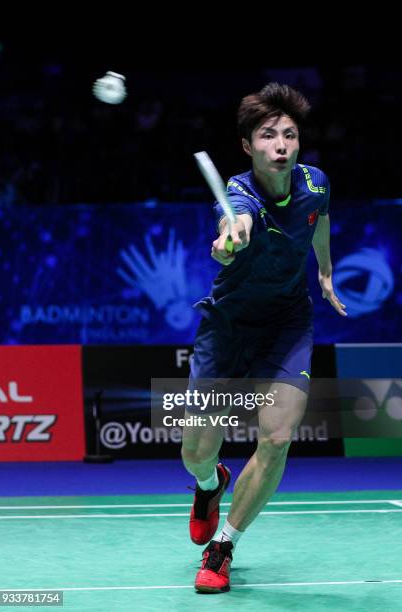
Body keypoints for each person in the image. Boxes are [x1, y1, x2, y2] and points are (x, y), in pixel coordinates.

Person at [181, 82, 347, 593]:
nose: (281, 145)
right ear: (248, 146)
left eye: (290, 135)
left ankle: (223, 547)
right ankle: (210, 486)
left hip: (286, 323)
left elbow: (317, 221)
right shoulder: (238, 195)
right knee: (196, 452)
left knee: (277, 438)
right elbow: (236, 227)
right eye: (268, 135)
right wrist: (228, 244)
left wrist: (323, 270)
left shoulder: (315, 183)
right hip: (228, 324)